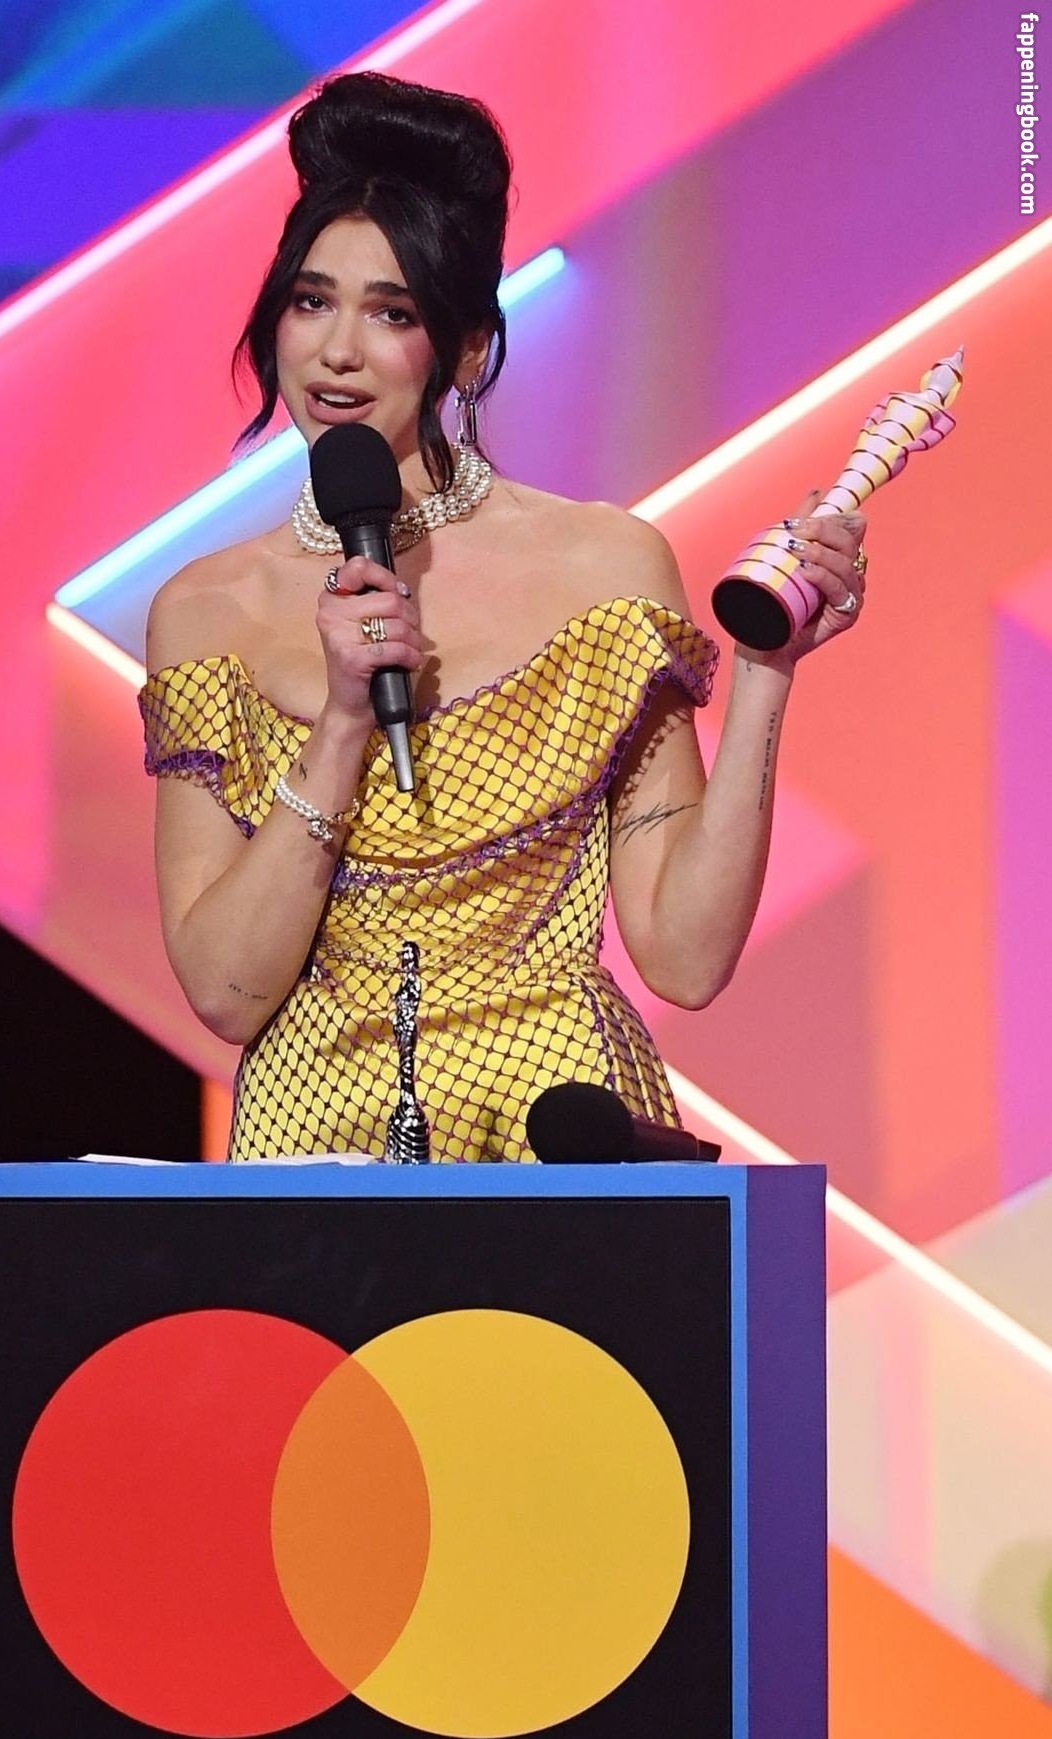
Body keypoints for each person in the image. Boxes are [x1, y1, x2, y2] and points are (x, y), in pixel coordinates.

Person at [139, 72, 867, 1162]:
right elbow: (225, 991)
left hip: (559, 1136)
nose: (337, 351)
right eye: (311, 301)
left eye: (391, 313)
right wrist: (342, 724)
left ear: (468, 347)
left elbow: (683, 958)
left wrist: (768, 669)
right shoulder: (205, 613)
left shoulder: (601, 566)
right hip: (313, 1156)